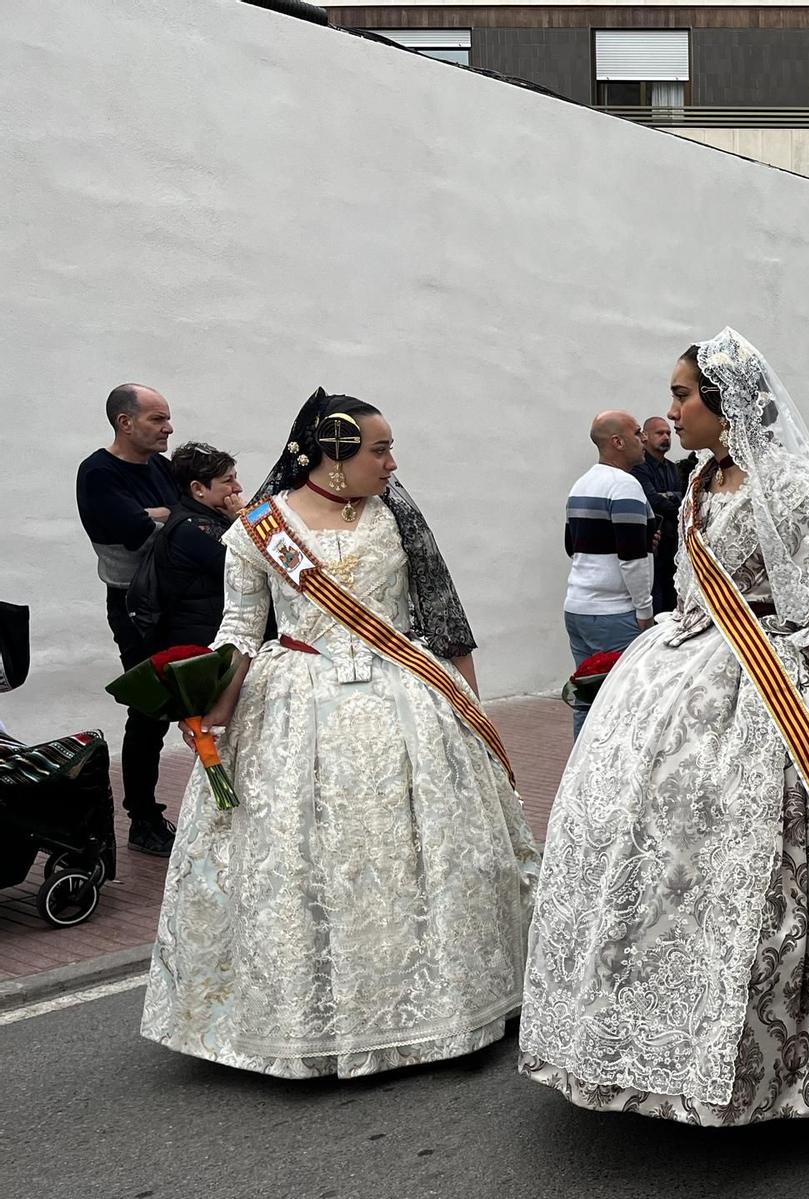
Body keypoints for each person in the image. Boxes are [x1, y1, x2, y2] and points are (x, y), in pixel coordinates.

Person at [518, 329, 809, 1124]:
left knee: (779, 863)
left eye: (680, 395)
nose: (671, 410)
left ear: (725, 405)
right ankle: (647, 1037)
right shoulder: (700, 481)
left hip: (775, 681)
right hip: (680, 670)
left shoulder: (790, 489)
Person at [141, 390, 539, 1078]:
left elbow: (443, 614)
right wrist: (209, 703)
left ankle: (440, 1007)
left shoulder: (396, 515)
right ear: (330, 457)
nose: (392, 462)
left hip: (403, 695)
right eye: (379, 450)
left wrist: (469, 706)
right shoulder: (259, 529)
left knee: (422, 857)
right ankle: (309, 1017)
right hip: (296, 701)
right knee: (302, 865)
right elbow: (239, 628)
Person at [76, 383, 178, 856]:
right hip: (136, 609)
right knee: (150, 708)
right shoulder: (97, 473)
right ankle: (142, 817)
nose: (168, 428)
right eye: (158, 419)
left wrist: (164, 516)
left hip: (181, 602)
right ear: (125, 422)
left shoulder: (161, 467)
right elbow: (134, 534)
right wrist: (164, 518)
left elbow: (186, 517)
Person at [563, 411, 655, 736]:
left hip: (577, 608)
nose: (643, 439)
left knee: (587, 699)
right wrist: (644, 611)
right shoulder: (625, 486)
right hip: (614, 613)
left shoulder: (580, 484)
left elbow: (571, 546)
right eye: (637, 432)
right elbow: (632, 557)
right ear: (617, 442)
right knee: (627, 703)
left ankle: (580, 780)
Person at [135, 442, 243, 653]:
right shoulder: (195, 529)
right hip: (203, 648)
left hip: (207, 636)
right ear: (198, 489)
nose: (237, 488)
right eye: (228, 481)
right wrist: (242, 521)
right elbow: (244, 571)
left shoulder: (201, 519)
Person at [636, 415, 686, 616]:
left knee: (672, 597)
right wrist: (676, 502)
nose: (666, 437)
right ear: (644, 436)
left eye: (668, 433)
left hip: (673, 544)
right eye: (660, 433)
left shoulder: (672, 467)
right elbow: (652, 500)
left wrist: (669, 497)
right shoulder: (639, 466)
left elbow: (684, 497)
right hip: (654, 544)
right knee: (656, 599)